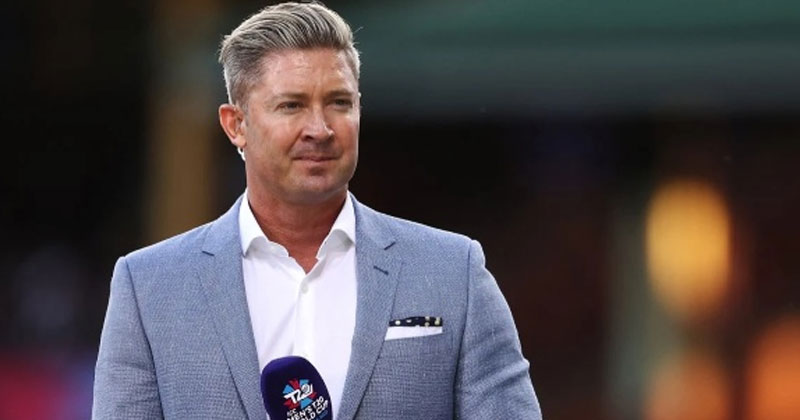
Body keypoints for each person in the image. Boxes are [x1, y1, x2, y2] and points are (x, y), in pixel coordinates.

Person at [92, 2, 542, 419]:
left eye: (339, 103)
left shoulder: (453, 272)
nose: (320, 129)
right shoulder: (149, 287)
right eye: (291, 105)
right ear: (236, 125)